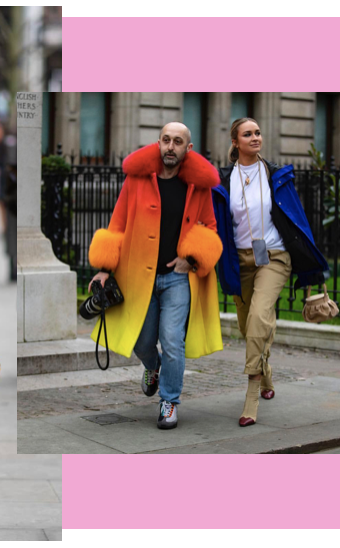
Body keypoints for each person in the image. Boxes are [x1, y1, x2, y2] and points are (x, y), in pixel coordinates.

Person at [87, 123, 224, 430]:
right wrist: (104, 267)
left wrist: (190, 259)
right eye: (166, 140)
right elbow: (118, 223)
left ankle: (169, 401)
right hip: (139, 277)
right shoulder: (136, 180)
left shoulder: (197, 186)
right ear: (159, 143)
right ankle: (152, 366)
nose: (170, 146)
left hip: (177, 278)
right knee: (143, 340)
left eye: (177, 141)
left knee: (173, 340)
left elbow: (211, 228)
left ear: (188, 148)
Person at [212, 118, 330, 427]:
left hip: (274, 257)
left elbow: (298, 219)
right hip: (239, 261)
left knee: (260, 316)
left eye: (257, 133)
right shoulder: (224, 180)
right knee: (247, 326)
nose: (255, 138)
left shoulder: (276, 175)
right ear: (235, 142)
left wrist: (310, 264)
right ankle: (267, 376)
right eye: (247, 134)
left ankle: (251, 395)